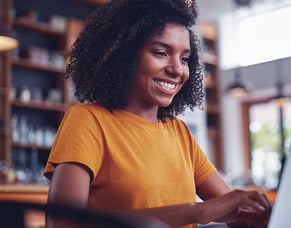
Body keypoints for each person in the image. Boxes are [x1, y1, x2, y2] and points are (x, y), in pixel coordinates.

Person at [44, 0, 272, 227]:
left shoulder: (178, 132)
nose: (177, 69)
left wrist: (260, 214)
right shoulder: (88, 120)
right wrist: (197, 212)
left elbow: (235, 212)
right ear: (124, 55)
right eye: (161, 53)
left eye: (184, 58)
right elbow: (63, 222)